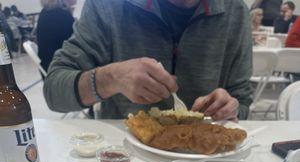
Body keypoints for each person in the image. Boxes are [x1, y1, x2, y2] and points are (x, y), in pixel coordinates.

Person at [44, 0, 253, 121]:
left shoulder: (236, 12)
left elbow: (242, 103)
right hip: (125, 161)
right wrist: (111, 78)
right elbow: (54, 91)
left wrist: (229, 109)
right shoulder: (108, 5)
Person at [37, 0, 76, 73]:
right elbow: (76, 43)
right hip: (60, 69)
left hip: (46, 66)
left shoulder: (43, 13)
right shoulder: (63, 15)